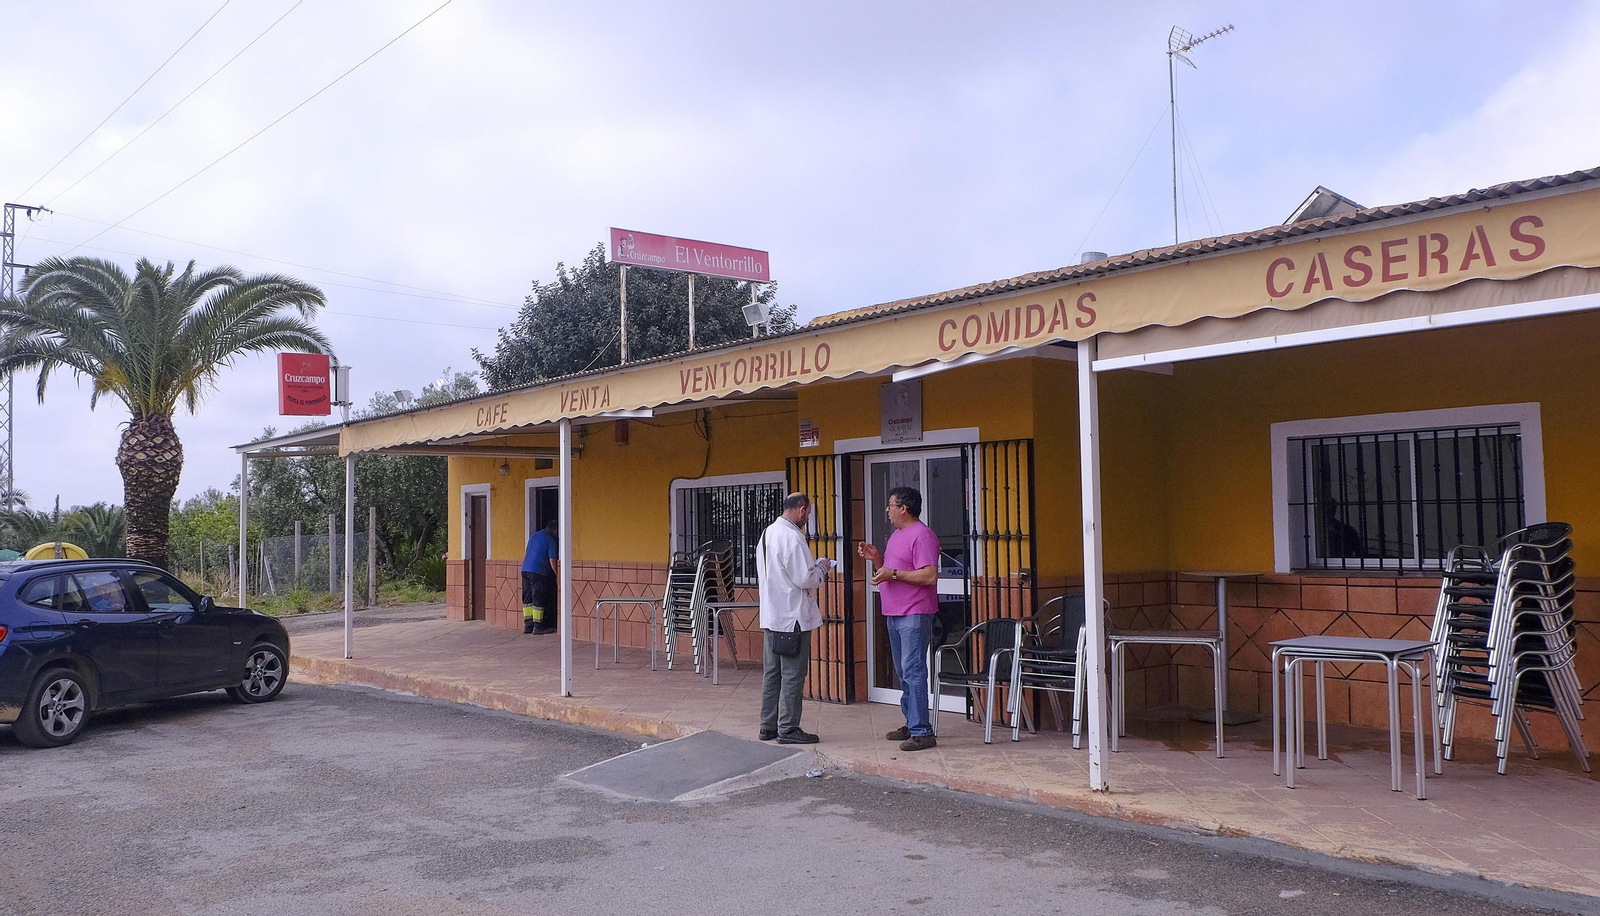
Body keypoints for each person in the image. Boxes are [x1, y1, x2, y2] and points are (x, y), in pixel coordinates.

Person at [856, 486, 940, 751]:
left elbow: (928, 575)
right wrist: (876, 558)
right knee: (904, 672)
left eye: (890, 506)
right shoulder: (896, 536)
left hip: (914, 612)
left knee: (913, 671)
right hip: (894, 612)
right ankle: (912, 723)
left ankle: (922, 731)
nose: (887, 511)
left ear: (903, 508)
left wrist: (892, 574)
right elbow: (889, 571)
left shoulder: (922, 535)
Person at [755, 492, 832, 745]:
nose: (807, 519)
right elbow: (805, 578)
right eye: (808, 514)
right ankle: (787, 728)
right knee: (792, 674)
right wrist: (822, 568)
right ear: (801, 509)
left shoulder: (767, 533)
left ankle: (768, 726)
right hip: (792, 618)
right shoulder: (793, 538)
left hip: (772, 616)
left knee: (772, 673)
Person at [521, 517, 559, 635]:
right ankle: (538, 626)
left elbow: (528, 551)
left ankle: (528, 625)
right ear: (555, 530)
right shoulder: (551, 539)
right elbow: (552, 560)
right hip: (538, 572)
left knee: (528, 599)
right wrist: (558, 575)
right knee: (538, 597)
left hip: (525, 569)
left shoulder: (534, 536)